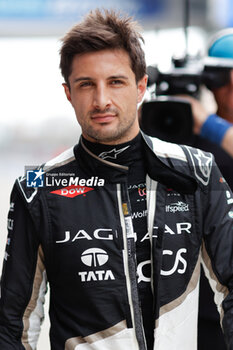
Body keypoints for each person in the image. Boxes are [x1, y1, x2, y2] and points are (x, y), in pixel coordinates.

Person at [0, 9, 233, 350]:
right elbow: (12, 325)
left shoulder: (197, 169)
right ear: (68, 93)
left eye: (115, 82)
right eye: (86, 85)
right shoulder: (36, 186)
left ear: (141, 87)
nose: (101, 100)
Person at [181, 29, 233, 350]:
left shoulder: (207, 128)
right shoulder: (192, 142)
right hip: (202, 308)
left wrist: (208, 124)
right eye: (221, 79)